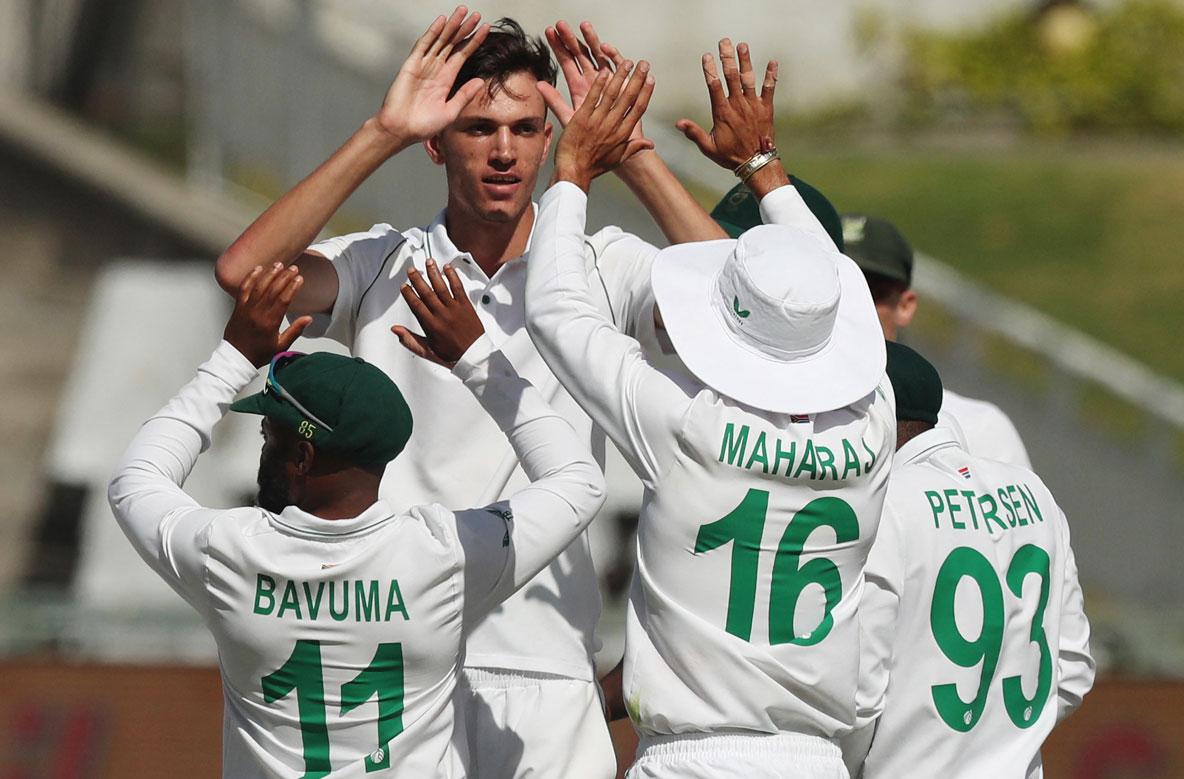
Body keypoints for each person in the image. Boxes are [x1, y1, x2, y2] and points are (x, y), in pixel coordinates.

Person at [212, 10, 723, 777]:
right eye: (479, 127)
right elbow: (243, 272)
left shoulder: (600, 262)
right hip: (410, 664)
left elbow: (733, 312)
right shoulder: (382, 261)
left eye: (525, 127)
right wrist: (381, 129)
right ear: (436, 139)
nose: (505, 151)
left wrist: (631, 153)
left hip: (550, 663)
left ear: (550, 140)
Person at [526, 43, 894, 778]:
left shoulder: (689, 430)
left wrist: (573, 172)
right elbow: (835, 299)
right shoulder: (874, 422)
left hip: (691, 760)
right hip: (815, 760)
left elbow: (556, 312)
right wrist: (765, 171)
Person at [108, 263, 606, 776]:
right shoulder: (442, 556)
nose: (263, 453)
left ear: (302, 458)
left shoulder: (226, 552)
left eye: (268, 439)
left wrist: (232, 358)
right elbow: (579, 481)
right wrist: (478, 362)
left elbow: (135, 481)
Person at [841, 342, 1093, 778]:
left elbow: (860, 697)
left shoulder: (884, 505)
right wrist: (1001, 746)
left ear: (873, 416)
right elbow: (1072, 670)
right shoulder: (1035, 493)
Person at [712, 198, 1032, 468]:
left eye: (872, 291)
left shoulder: (981, 427)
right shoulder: (769, 413)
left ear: (906, 305)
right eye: (841, 289)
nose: (857, 305)